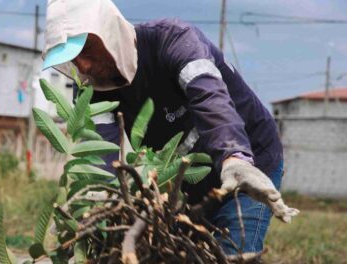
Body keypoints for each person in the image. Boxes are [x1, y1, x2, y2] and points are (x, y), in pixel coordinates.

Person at [41, 0, 299, 255]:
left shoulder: (174, 41)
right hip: (187, 181)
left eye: (86, 48)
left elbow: (209, 97)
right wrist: (85, 206)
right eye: (73, 58)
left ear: (109, 31)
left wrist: (235, 158)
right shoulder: (91, 87)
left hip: (249, 161)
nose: (83, 65)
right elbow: (101, 153)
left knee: (232, 251)